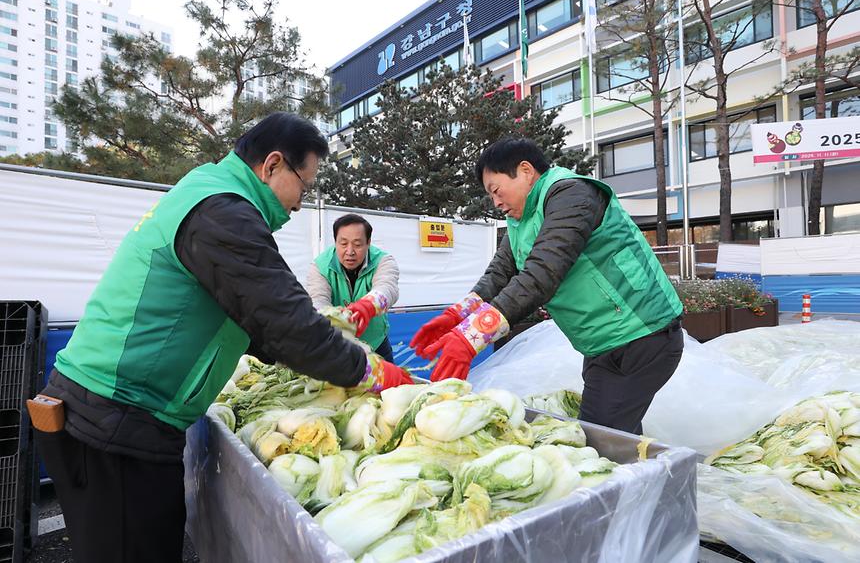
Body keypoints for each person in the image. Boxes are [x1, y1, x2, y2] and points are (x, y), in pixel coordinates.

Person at [32, 113, 413, 563]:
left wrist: (309, 348)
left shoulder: (208, 194)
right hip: (116, 420)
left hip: (114, 416)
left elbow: (255, 324)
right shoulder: (223, 211)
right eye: (303, 185)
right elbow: (286, 323)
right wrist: (372, 371)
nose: (299, 202)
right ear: (273, 165)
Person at [410, 136, 683, 435]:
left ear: (526, 171)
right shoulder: (520, 220)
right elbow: (500, 273)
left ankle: (656, 476)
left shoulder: (572, 195)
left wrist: (470, 338)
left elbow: (542, 273)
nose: (496, 202)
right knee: (614, 434)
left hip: (642, 334)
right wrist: (457, 316)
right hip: (605, 343)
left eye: (496, 190)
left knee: (602, 438)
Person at [307, 214, 400, 362]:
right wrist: (332, 322)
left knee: (389, 384)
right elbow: (317, 300)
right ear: (335, 242)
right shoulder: (320, 266)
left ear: (368, 242)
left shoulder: (383, 260)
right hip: (338, 345)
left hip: (376, 344)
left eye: (357, 244)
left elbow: (388, 287)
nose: (350, 251)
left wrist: (369, 305)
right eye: (343, 243)